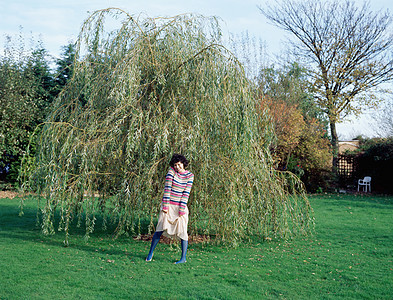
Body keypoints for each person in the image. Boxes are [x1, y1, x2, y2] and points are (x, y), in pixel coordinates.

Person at [146, 154, 194, 264]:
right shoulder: (171, 173)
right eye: (175, 165)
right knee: (160, 229)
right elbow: (167, 190)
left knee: (183, 232)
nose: (177, 167)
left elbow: (186, 193)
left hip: (180, 207)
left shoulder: (190, 176)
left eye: (179, 164)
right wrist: (165, 207)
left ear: (183, 163)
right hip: (168, 206)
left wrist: (182, 209)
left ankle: (183, 258)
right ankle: (150, 253)